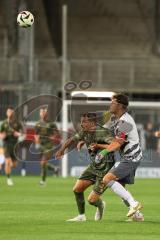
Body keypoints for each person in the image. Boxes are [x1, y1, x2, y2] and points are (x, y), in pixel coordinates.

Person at [91, 93, 143, 219]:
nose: (110, 104)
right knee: (122, 190)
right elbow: (115, 142)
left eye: (113, 102)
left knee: (107, 179)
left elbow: (118, 144)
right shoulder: (119, 120)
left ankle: (134, 204)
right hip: (129, 157)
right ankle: (137, 216)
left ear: (120, 105)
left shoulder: (125, 121)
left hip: (132, 157)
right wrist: (99, 146)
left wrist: (103, 152)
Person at [55, 113, 115, 221]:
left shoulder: (102, 132)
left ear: (92, 123)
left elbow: (114, 145)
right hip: (94, 166)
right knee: (77, 189)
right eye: (81, 121)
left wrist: (98, 145)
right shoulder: (84, 132)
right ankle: (81, 216)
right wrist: (61, 150)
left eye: (84, 122)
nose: (81, 124)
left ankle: (100, 205)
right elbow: (71, 140)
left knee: (92, 200)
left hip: (106, 169)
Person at [35, 107, 59, 186]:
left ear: (46, 114)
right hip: (41, 144)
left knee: (43, 162)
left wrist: (54, 136)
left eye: (44, 113)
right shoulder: (38, 124)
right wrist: (37, 142)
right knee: (42, 163)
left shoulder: (51, 123)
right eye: (41, 113)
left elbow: (57, 132)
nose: (42, 114)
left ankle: (43, 181)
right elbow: (36, 134)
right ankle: (54, 168)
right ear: (39, 114)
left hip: (49, 144)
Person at [0, 106, 23, 186]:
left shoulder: (18, 123)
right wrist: (2, 136)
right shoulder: (4, 123)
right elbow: (1, 133)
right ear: (6, 113)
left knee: (14, 165)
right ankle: (9, 178)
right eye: (8, 112)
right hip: (6, 144)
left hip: (15, 145)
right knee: (7, 161)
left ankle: (8, 166)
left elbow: (23, 133)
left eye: (11, 112)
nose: (9, 113)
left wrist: (18, 134)